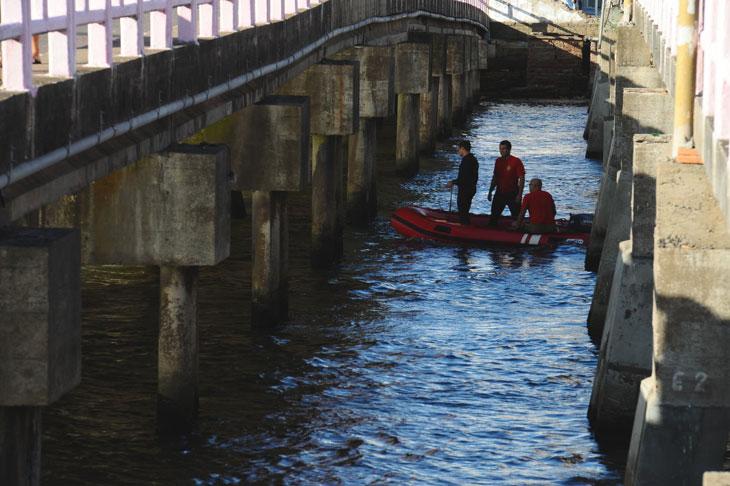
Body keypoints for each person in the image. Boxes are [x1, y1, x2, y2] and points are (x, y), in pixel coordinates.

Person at [487, 140, 525, 226]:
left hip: (513, 193)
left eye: (503, 149)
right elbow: (495, 178)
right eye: (500, 149)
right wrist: (490, 191)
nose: (501, 151)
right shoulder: (498, 161)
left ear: (509, 149)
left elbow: (522, 178)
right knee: (494, 216)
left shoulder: (516, 161)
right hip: (500, 193)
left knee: (516, 217)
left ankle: (519, 232)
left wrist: (520, 195)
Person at [446, 140, 479, 225]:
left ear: (463, 149)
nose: (458, 151)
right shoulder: (473, 159)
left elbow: (463, 179)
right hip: (471, 188)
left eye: (458, 149)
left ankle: (465, 227)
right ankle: (466, 225)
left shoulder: (466, 161)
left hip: (465, 190)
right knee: (465, 210)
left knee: (463, 211)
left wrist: (452, 182)